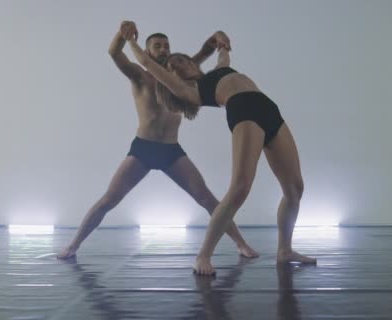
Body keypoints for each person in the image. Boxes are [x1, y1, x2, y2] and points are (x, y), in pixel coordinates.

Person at [123, 24, 317, 275]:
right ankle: (203, 256)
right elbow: (148, 65)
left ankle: (284, 250)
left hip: (270, 111)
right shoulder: (189, 91)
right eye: (175, 65)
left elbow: (222, 49)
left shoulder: (219, 69)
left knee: (295, 189)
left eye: (183, 59)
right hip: (245, 113)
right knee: (240, 189)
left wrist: (220, 38)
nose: (183, 64)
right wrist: (130, 41)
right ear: (173, 76)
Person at [57, 21, 258, 259]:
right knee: (109, 200)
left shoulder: (180, 72)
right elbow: (114, 52)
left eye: (166, 46)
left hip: (172, 151)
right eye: (157, 46)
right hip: (143, 149)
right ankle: (73, 246)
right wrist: (123, 34)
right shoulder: (140, 75)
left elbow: (206, 51)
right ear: (148, 50)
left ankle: (241, 244)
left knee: (207, 198)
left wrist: (217, 37)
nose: (163, 50)